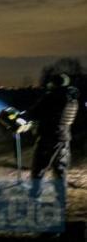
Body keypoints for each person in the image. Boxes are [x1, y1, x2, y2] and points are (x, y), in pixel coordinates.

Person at [24, 72, 81, 203]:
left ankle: (35, 196)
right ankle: (60, 198)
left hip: (49, 137)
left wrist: (23, 115)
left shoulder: (53, 97)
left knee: (39, 168)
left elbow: (35, 112)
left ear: (55, 84)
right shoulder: (72, 99)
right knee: (60, 170)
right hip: (65, 138)